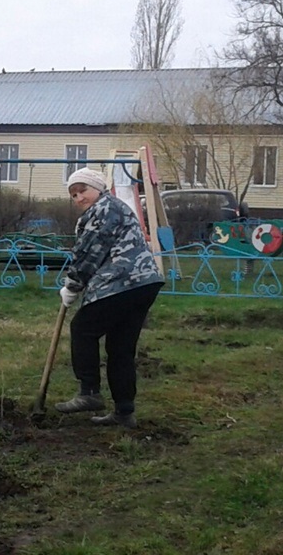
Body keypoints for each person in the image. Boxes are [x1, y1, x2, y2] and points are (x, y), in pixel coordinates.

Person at [54, 167, 164, 428]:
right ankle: (124, 412)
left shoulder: (105, 208)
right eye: (74, 194)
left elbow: (91, 248)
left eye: (83, 191)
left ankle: (89, 393)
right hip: (143, 283)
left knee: (82, 329)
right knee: (120, 349)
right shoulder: (113, 208)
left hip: (122, 282)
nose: (79, 198)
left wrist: (73, 284)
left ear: (98, 189)